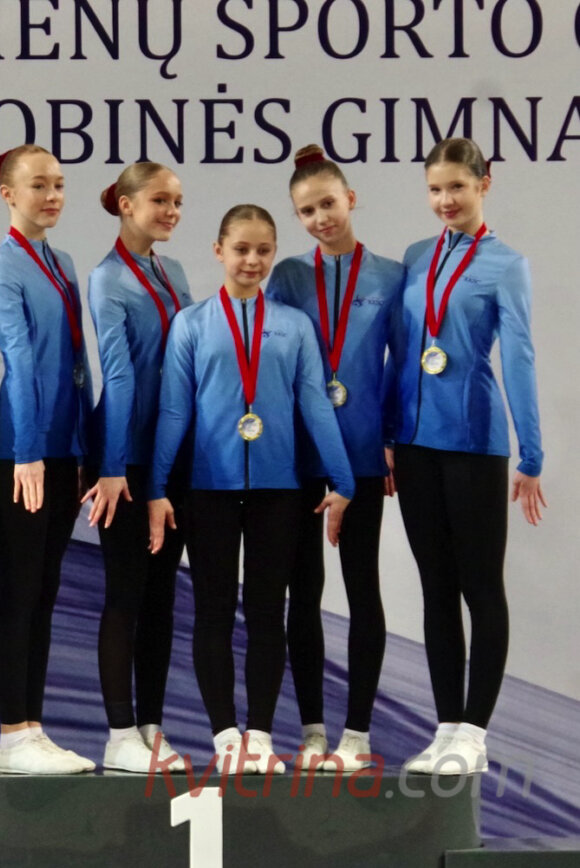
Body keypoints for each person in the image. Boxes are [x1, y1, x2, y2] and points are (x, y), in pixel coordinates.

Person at [149, 205, 354, 775]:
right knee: (213, 611)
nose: (252, 260)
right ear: (218, 251)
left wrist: (343, 478)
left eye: (264, 250)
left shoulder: (294, 325)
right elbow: (174, 410)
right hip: (207, 489)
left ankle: (259, 737)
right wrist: (157, 486)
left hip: (279, 490)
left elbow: (314, 403)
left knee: (267, 613)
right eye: (241, 249)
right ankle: (224, 737)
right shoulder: (191, 324)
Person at [389, 137, 545, 775]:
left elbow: (520, 359)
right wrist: (388, 435)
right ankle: (445, 728)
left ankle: (474, 735)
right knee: (436, 588)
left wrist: (531, 453)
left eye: (457, 186)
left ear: (485, 183)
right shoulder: (416, 257)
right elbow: (402, 350)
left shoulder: (506, 265)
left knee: (480, 586)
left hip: (474, 441)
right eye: (435, 189)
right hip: (414, 444)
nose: (445, 200)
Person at [265, 144, 404, 771]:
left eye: (328, 204)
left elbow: (401, 368)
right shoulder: (289, 277)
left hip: (362, 454)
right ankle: (313, 729)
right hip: (300, 455)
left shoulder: (392, 276)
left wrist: (390, 438)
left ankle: (358, 734)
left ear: (350, 198)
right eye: (306, 211)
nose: (320, 218)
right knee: (304, 591)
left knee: (363, 588)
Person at [0, 145, 95, 775]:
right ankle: (11, 734)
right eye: (37, 186)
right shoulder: (2, 266)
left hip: (59, 448)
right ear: (7, 194)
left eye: (58, 185)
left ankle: (33, 727)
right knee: (21, 589)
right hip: (19, 451)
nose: (52, 196)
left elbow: (77, 363)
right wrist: (28, 453)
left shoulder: (62, 261)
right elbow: (20, 360)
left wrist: (78, 445)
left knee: (46, 591)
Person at [81, 163, 191, 773]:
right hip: (123, 460)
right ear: (126, 205)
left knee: (161, 598)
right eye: (159, 200)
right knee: (125, 593)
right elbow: (119, 377)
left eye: (177, 202)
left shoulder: (173, 271)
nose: (171, 211)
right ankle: (119, 733)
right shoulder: (107, 279)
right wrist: (114, 466)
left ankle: (151, 727)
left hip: (172, 456)